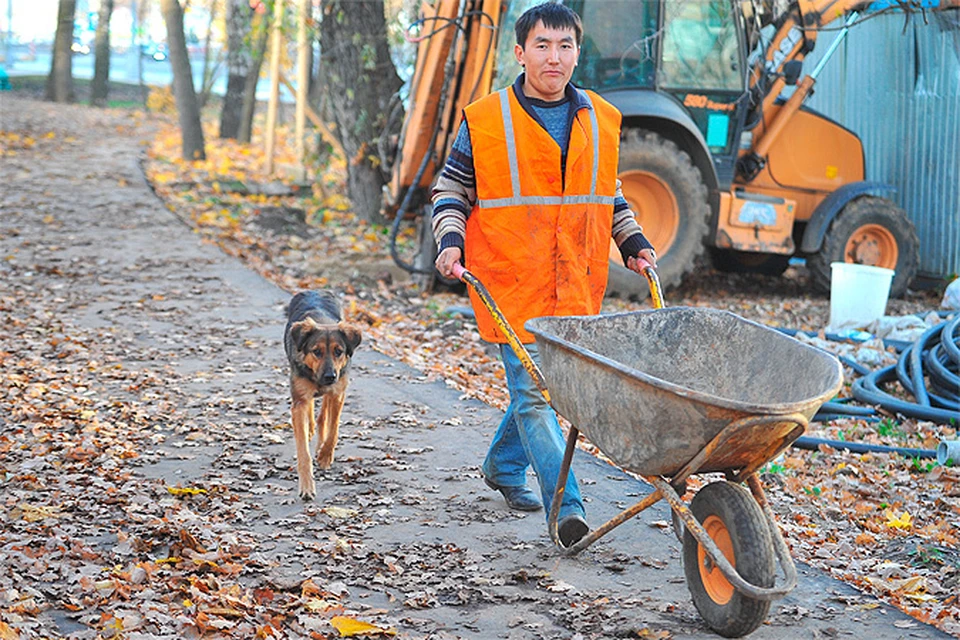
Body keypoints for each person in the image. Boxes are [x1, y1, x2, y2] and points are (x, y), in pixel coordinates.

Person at [431, 1, 657, 548]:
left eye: (564, 46)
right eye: (542, 46)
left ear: (577, 53)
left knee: (544, 388)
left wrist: (633, 242)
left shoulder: (601, 118)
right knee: (535, 396)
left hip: (573, 283)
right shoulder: (485, 120)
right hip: (511, 283)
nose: (553, 57)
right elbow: (451, 188)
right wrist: (450, 240)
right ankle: (569, 510)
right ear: (520, 52)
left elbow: (610, 195)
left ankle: (503, 467)